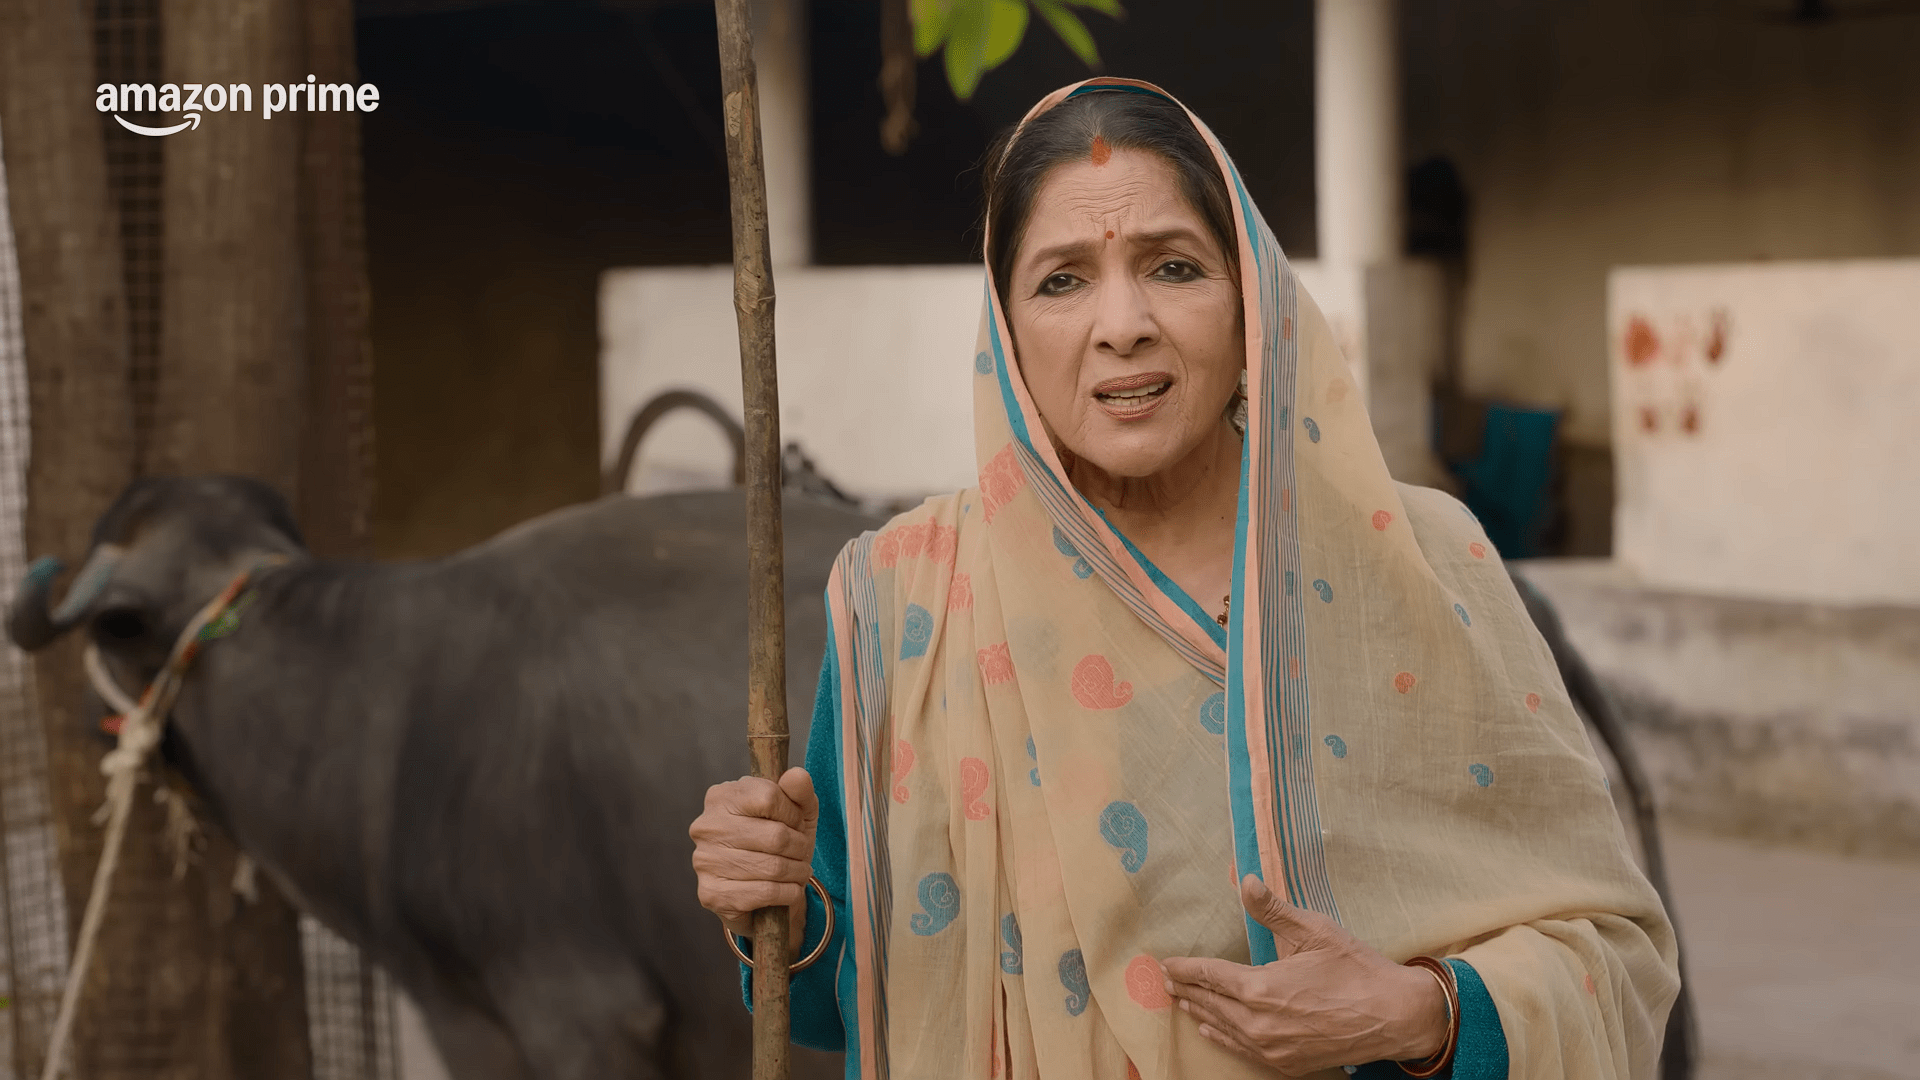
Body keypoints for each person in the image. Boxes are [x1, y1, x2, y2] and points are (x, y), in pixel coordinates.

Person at [690, 79, 1678, 1080]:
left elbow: (1619, 958)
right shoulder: (907, 601)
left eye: (1173, 267)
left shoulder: (1419, 562)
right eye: (1062, 281)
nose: (1123, 324)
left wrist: (1424, 1016)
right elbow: (843, 1001)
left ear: (1250, 300)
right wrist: (774, 906)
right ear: (1007, 332)